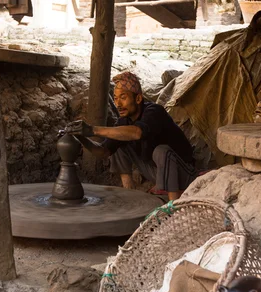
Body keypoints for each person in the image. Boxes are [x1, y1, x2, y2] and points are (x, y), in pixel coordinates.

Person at [72, 71, 197, 201]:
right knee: (118, 136)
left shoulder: (154, 112)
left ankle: (173, 204)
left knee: (161, 151)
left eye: (123, 97)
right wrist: (81, 137)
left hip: (184, 174)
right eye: (115, 98)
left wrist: (93, 130)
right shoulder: (124, 121)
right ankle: (129, 191)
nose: (118, 104)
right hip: (157, 173)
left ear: (138, 98)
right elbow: (103, 151)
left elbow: (137, 133)